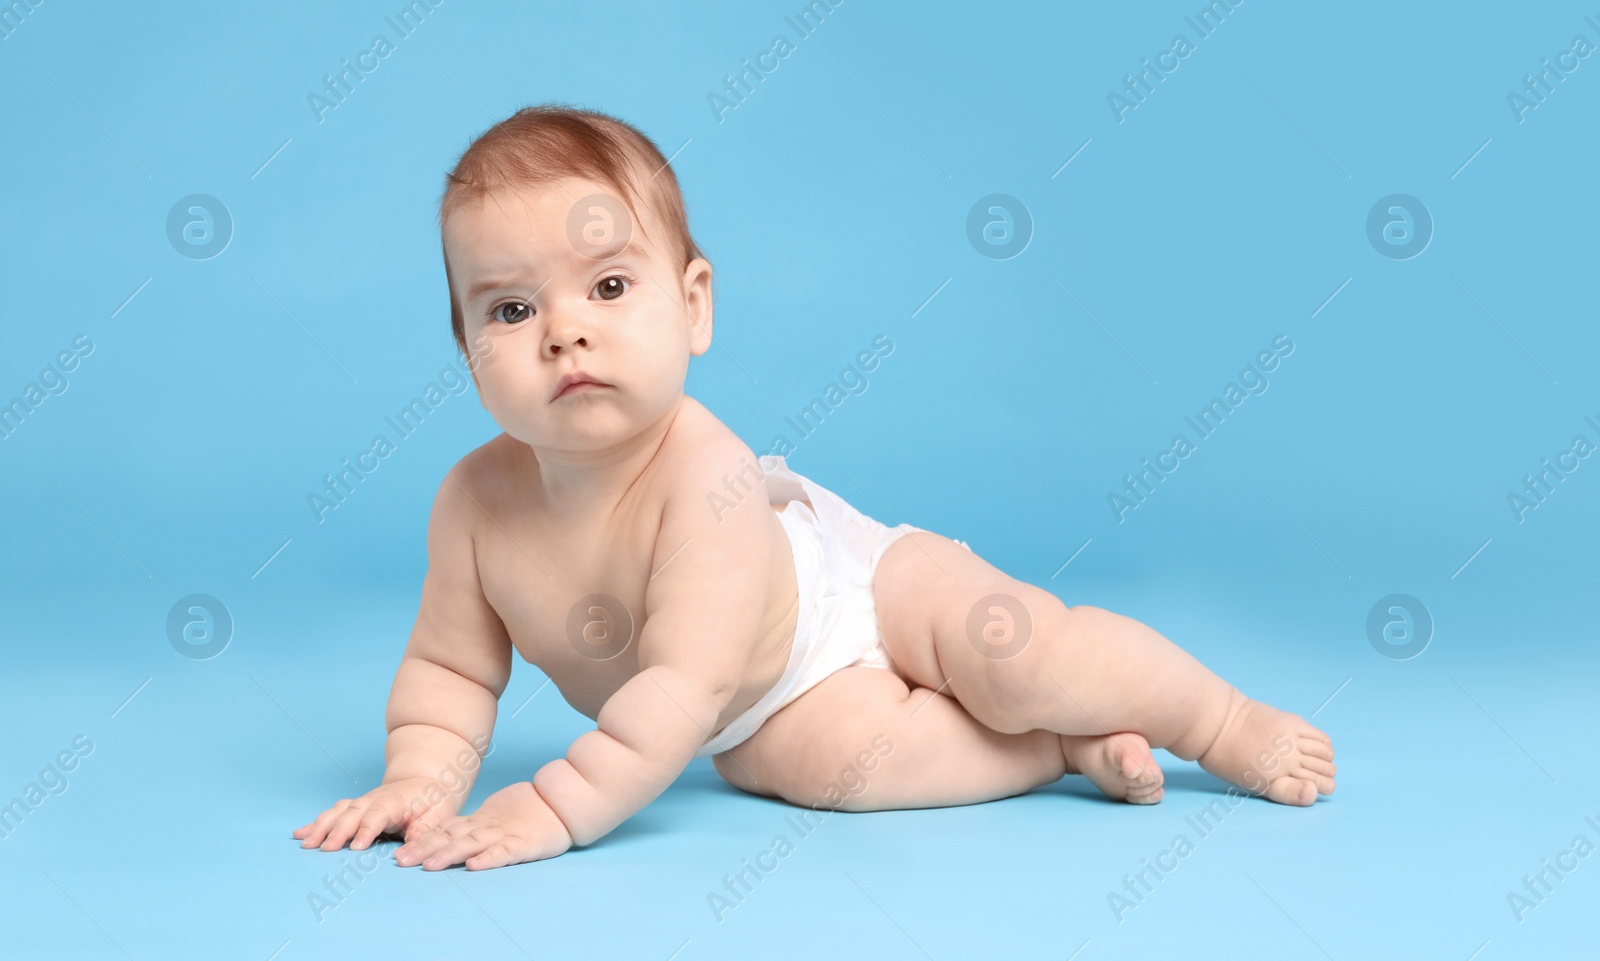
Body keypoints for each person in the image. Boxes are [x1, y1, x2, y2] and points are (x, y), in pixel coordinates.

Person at [293, 105, 1335, 872]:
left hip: (858, 587)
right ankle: (1061, 747)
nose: (565, 328)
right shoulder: (473, 504)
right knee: (845, 768)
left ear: (693, 306)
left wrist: (556, 806)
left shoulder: (706, 477)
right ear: (467, 353)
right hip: (755, 710)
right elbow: (448, 670)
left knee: (1016, 653)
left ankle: (1213, 716)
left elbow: (675, 685)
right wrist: (420, 781)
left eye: (610, 286)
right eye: (511, 308)